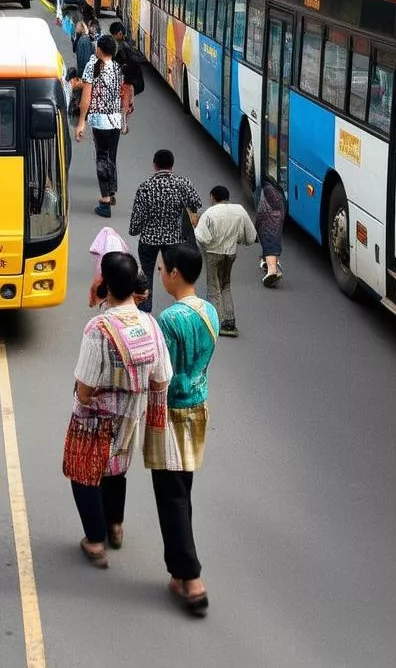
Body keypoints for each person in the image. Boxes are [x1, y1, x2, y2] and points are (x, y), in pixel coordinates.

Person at [67, 252, 172, 569]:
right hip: (130, 417)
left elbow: (84, 388)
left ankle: (96, 541)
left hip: (95, 419)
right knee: (115, 469)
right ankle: (115, 527)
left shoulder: (98, 328)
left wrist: (92, 395)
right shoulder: (150, 324)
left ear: (106, 285)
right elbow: (161, 378)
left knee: (84, 473)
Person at [146, 245, 218, 616]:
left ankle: (191, 578)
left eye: (161, 269)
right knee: (182, 490)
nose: (159, 274)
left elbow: (162, 374)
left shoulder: (169, 321)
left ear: (174, 273)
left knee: (170, 495)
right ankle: (179, 571)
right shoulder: (210, 312)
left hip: (171, 414)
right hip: (199, 409)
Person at [129, 150, 202, 313]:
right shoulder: (182, 183)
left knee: (146, 274)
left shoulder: (145, 187)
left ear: (154, 165)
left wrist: (135, 230)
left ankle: (145, 311)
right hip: (174, 239)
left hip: (149, 239)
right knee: (177, 274)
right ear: (172, 166)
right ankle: (181, 307)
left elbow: (136, 219)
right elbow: (196, 202)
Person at [194, 185, 256, 338]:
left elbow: (203, 237)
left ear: (213, 197)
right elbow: (251, 236)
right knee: (225, 286)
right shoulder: (240, 210)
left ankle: (218, 322)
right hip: (231, 254)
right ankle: (230, 321)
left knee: (213, 288)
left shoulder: (210, 213)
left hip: (213, 253)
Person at [76, 35, 125, 218]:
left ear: (99, 49)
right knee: (111, 156)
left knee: (102, 159)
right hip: (115, 120)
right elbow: (120, 94)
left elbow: (86, 98)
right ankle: (111, 192)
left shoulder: (92, 67)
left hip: (101, 122)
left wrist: (81, 122)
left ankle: (105, 202)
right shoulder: (118, 68)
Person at [109, 20, 143, 130]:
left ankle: (122, 124)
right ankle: (122, 124)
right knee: (125, 102)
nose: (113, 37)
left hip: (125, 80)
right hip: (127, 80)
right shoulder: (123, 44)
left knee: (124, 103)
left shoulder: (120, 45)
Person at [255, 179, 286, 288]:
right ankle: (267, 259)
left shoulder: (269, 189)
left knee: (268, 225)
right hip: (275, 188)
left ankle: (273, 270)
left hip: (271, 186)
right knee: (262, 225)